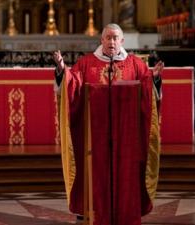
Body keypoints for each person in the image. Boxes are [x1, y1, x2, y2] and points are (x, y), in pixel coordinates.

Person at [53, 23, 163, 223]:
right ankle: (94, 210)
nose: (112, 42)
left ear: (122, 41)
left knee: (126, 173)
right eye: (108, 38)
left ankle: (125, 210)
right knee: (96, 173)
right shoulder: (86, 64)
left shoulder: (135, 64)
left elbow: (147, 90)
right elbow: (73, 85)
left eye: (115, 38)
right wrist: (62, 71)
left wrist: (153, 79)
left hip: (126, 137)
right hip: (94, 137)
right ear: (101, 40)